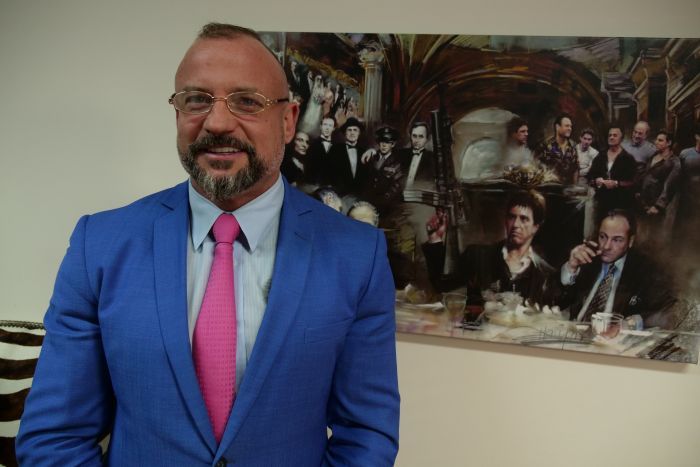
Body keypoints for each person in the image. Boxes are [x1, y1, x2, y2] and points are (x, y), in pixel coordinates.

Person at [16, 23, 400, 466]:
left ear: (289, 120)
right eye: (196, 99)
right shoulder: (100, 246)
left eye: (247, 101)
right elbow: (53, 437)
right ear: (177, 112)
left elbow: (366, 435)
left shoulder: (357, 256)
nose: (217, 122)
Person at [423, 191, 557, 308]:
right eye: (511, 217)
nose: (515, 224)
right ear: (505, 220)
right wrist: (434, 238)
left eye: (524, 219)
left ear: (536, 227)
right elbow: (440, 285)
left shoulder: (545, 274)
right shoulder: (477, 255)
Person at [560, 209, 678, 329]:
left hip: (613, 342)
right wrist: (571, 267)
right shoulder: (587, 260)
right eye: (603, 237)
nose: (606, 246)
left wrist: (631, 323)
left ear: (630, 241)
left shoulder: (645, 270)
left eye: (617, 240)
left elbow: (669, 311)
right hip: (574, 335)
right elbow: (552, 300)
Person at [636, 130, 681, 247]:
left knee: (654, 238)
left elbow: (670, 185)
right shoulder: (654, 156)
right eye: (656, 139)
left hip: (656, 206)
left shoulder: (674, 162)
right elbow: (646, 175)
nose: (656, 142)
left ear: (669, 143)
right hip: (643, 202)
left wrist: (658, 206)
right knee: (640, 236)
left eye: (660, 140)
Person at [586, 125, 637, 223]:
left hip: (620, 204)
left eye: (615, 135)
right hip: (601, 202)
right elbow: (590, 175)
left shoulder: (628, 159)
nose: (611, 137)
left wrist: (617, 183)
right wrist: (596, 181)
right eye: (610, 135)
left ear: (621, 138)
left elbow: (633, 182)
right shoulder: (601, 155)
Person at [361, 126, 404, 216]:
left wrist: (382, 202)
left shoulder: (397, 161)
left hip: (387, 207)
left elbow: (396, 186)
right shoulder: (372, 158)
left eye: (388, 142)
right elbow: (366, 182)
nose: (384, 145)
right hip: (369, 203)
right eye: (382, 142)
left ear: (393, 144)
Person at [326, 116, 368, 197]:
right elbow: (330, 174)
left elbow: (366, 179)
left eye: (355, 130)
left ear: (359, 133)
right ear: (345, 133)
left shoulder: (364, 152)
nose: (352, 133)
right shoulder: (335, 150)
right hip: (339, 195)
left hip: (359, 196)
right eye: (349, 130)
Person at [534, 114, 579, 184]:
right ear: (557, 127)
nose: (570, 128)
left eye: (570, 126)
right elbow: (535, 166)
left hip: (568, 190)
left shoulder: (574, 146)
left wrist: (575, 186)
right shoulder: (545, 145)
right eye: (567, 126)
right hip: (549, 188)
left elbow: (575, 169)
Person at [307, 116, 336, 184]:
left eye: (330, 125)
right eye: (325, 124)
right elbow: (309, 168)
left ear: (334, 128)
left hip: (332, 186)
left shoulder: (337, 147)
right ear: (320, 126)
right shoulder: (312, 144)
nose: (327, 128)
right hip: (314, 185)